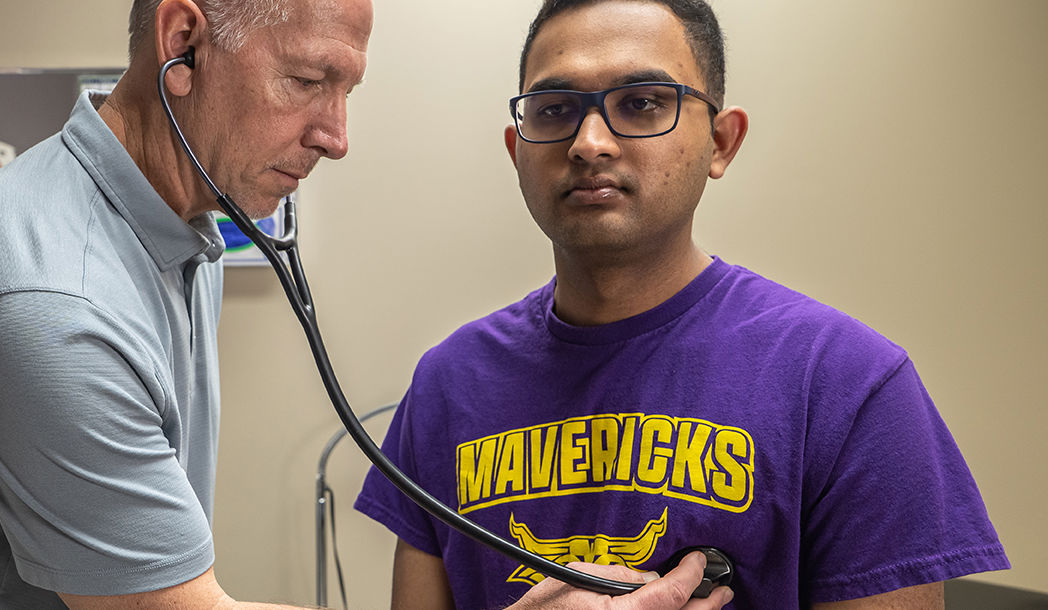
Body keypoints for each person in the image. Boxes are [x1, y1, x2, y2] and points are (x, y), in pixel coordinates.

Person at [0, 0, 729, 608]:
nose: (336, 135)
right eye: (310, 80)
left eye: (347, 89)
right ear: (183, 41)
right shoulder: (50, 296)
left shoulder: (174, 223)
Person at [354, 0, 1011, 609]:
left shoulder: (849, 384)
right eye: (554, 110)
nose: (589, 142)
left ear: (722, 143)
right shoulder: (449, 382)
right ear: (516, 149)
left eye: (640, 103)